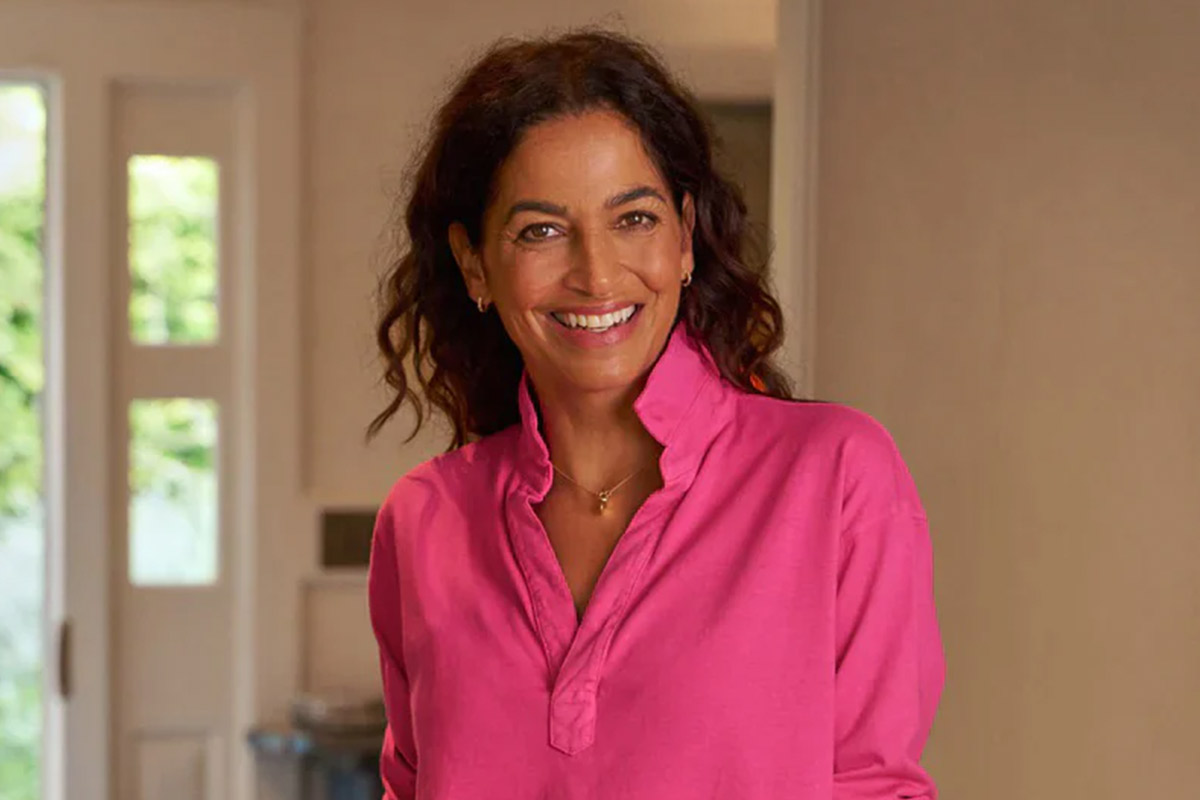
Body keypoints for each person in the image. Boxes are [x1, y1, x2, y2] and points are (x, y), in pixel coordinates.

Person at [365, 28, 945, 800]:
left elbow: (875, 787)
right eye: (541, 231)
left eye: (633, 218)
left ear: (686, 238)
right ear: (475, 263)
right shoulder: (423, 522)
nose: (598, 273)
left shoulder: (835, 476)